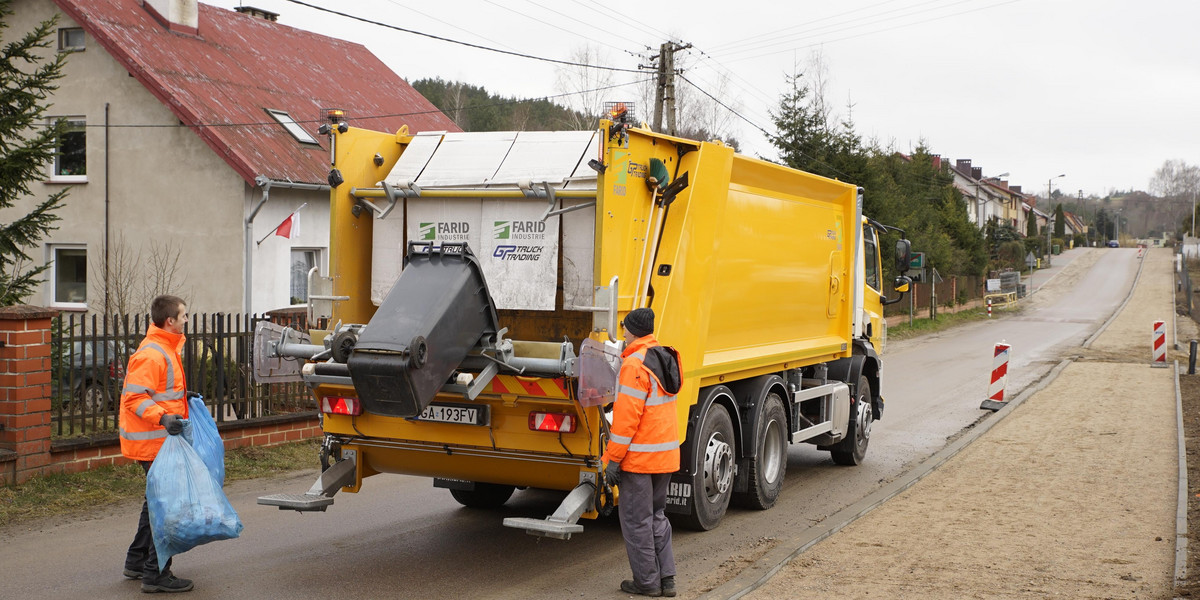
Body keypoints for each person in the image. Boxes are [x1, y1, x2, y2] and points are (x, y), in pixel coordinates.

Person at [601, 307, 682, 598]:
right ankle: (667, 579)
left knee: (637, 521)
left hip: (640, 460)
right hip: (665, 457)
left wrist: (612, 459)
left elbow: (625, 422)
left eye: (624, 326)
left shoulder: (634, 364)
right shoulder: (663, 356)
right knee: (657, 515)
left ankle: (647, 583)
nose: (622, 330)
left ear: (633, 330)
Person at [119, 295, 193, 593]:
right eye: (184, 315)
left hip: (160, 442)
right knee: (166, 507)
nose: (187, 320)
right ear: (170, 320)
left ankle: (137, 562)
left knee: (155, 503)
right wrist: (163, 418)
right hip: (154, 442)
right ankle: (156, 574)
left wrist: (187, 398)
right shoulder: (153, 353)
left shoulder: (165, 348)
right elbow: (134, 398)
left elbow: (163, 391)